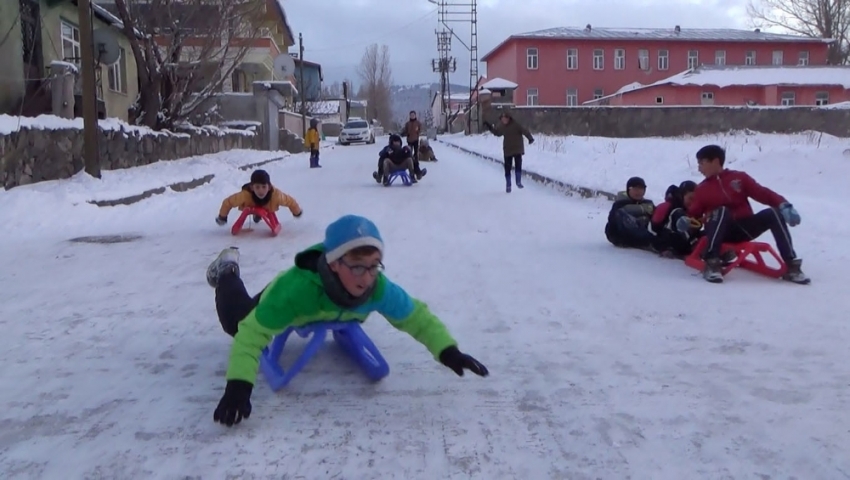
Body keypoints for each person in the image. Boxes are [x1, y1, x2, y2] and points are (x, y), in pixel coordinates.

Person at [206, 215, 489, 427]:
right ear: (333, 264)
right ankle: (228, 270)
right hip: (289, 303)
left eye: (373, 266)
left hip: (337, 312)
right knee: (236, 322)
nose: (366, 277)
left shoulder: (377, 287)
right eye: (356, 267)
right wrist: (238, 387)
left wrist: (448, 350)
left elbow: (416, 317)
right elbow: (252, 335)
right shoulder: (294, 293)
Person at [678, 144, 809, 284]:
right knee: (721, 211)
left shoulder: (739, 178)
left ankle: (791, 265)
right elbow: (694, 214)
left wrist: (783, 204)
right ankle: (712, 262)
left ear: (715, 161)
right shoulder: (702, 189)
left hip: (743, 228)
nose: (699, 168)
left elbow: (762, 193)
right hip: (719, 231)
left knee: (773, 213)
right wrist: (685, 220)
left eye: (701, 163)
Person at [216, 169, 302, 226]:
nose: (261, 191)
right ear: (252, 187)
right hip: (251, 204)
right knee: (255, 204)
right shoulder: (244, 195)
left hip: (267, 205)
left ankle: (257, 215)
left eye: (264, 187)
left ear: (269, 187)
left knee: (262, 205)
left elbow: (290, 201)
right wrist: (222, 217)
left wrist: (296, 212)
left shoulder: (276, 196)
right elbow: (228, 202)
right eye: (257, 187)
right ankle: (257, 215)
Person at [482, 111, 534, 193]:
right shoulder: (502, 126)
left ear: (509, 118)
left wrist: (530, 138)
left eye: (505, 119)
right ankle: (508, 184)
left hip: (517, 148)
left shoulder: (516, 124)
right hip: (507, 149)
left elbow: (524, 131)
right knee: (507, 168)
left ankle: (518, 181)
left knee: (518, 165)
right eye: (502, 119)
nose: (504, 121)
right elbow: (497, 133)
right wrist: (489, 127)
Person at [651, 181, 704, 258]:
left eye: (695, 200)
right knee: (678, 215)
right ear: (682, 196)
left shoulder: (695, 210)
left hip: (686, 243)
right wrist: (661, 247)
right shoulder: (667, 207)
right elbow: (652, 230)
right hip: (668, 242)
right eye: (690, 198)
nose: (693, 202)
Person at [604, 176, 657, 249]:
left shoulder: (648, 203)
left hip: (643, 233)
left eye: (641, 189)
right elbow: (613, 221)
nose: (638, 192)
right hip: (622, 236)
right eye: (635, 189)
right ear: (628, 190)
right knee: (621, 214)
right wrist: (643, 209)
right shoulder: (620, 204)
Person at [400, 111, 426, 179]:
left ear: (415, 115)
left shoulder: (418, 123)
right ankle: (413, 163)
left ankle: (416, 161)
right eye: (411, 115)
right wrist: (404, 133)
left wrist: (418, 132)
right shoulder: (408, 123)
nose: (412, 116)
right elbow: (405, 130)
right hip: (409, 140)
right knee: (410, 152)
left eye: (413, 115)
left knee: (416, 152)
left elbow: (420, 129)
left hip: (415, 140)